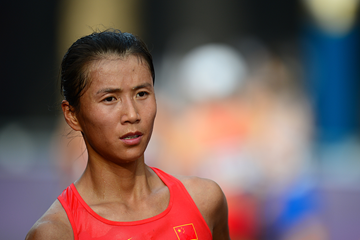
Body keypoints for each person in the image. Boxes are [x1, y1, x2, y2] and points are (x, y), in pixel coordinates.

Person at [25, 29, 230, 240]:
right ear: (72, 115)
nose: (132, 114)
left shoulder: (204, 201)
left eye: (142, 94)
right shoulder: (57, 232)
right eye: (110, 99)